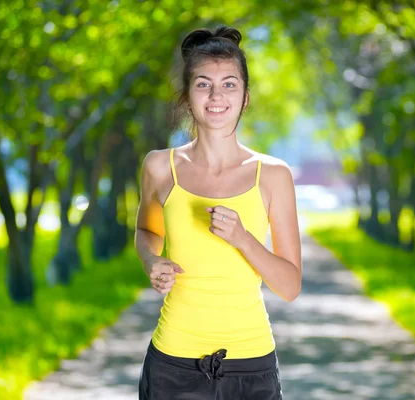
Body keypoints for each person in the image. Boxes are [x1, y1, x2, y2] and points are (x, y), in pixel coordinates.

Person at [135, 25, 302, 400]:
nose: (216, 96)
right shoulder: (160, 167)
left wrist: (243, 239)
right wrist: (151, 261)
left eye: (229, 84)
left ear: (244, 97)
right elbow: (147, 231)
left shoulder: (272, 175)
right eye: (203, 84)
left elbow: (289, 286)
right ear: (187, 94)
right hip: (173, 362)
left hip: (251, 364)